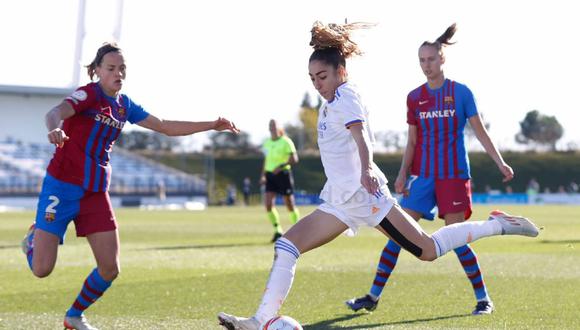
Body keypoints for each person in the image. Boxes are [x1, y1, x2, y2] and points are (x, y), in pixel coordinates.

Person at [217, 21, 539, 330]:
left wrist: (368, 167)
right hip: (341, 202)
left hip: (367, 198)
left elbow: (362, 137)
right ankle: (260, 321)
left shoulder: (347, 96)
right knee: (287, 245)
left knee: (427, 251)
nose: (318, 84)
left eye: (323, 76)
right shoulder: (329, 104)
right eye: (313, 78)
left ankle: (498, 224)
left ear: (341, 72)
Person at [20, 42, 239, 330]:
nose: (118, 73)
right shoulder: (88, 94)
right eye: (111, 68)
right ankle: (32, 241)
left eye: (122, 68)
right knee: (42, 270)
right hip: (61, 187)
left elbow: (165, 126)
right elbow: (55, 112)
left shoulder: (124, 105)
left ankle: (73, 316)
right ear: (97, 70)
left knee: (110, 268)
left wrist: (211, 124)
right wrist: (54, 128)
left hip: (95, 192)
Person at [345, 23, 515, 315]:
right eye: (422, 60)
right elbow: (411, 141)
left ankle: (483, 299)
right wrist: (401, 174)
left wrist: (500, 162)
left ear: (442, 59)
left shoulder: (461, 93)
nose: (427, 65)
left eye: (431, 59)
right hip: (422, 177)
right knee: (398, 234)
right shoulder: (414, 97)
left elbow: (480, 132)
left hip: (454, 177)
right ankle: (372, 297)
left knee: (458, 237)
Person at [260, 119, 300, 242]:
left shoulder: (286, 141)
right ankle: (278, 230)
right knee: (268, 204)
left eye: (274, 125)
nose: (272, 127)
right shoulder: (266, 143)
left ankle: (298, 229)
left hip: (283, 174)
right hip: (270, 175)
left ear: (279, 127)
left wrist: (281, 166)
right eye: (270, 125)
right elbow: (266, 160)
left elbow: (294, 159)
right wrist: (262, 175)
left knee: (289, 204)